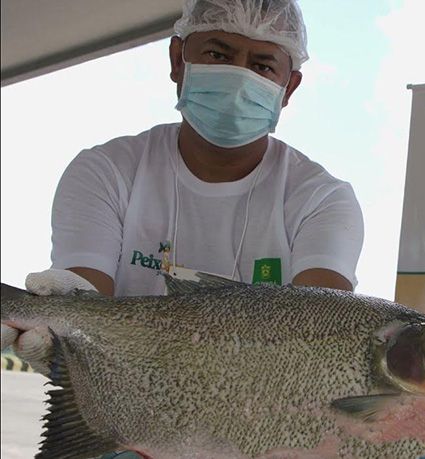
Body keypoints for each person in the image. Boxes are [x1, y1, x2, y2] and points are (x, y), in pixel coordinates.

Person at [1, 0, 364, 390]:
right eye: (217, 53)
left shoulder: (322, 200)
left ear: (288, 86)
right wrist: (60, 329)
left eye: (261, 65)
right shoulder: (106, 171)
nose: (238, 77)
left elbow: (322, 337)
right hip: (120, 413)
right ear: (178, 59)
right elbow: (85, 304)